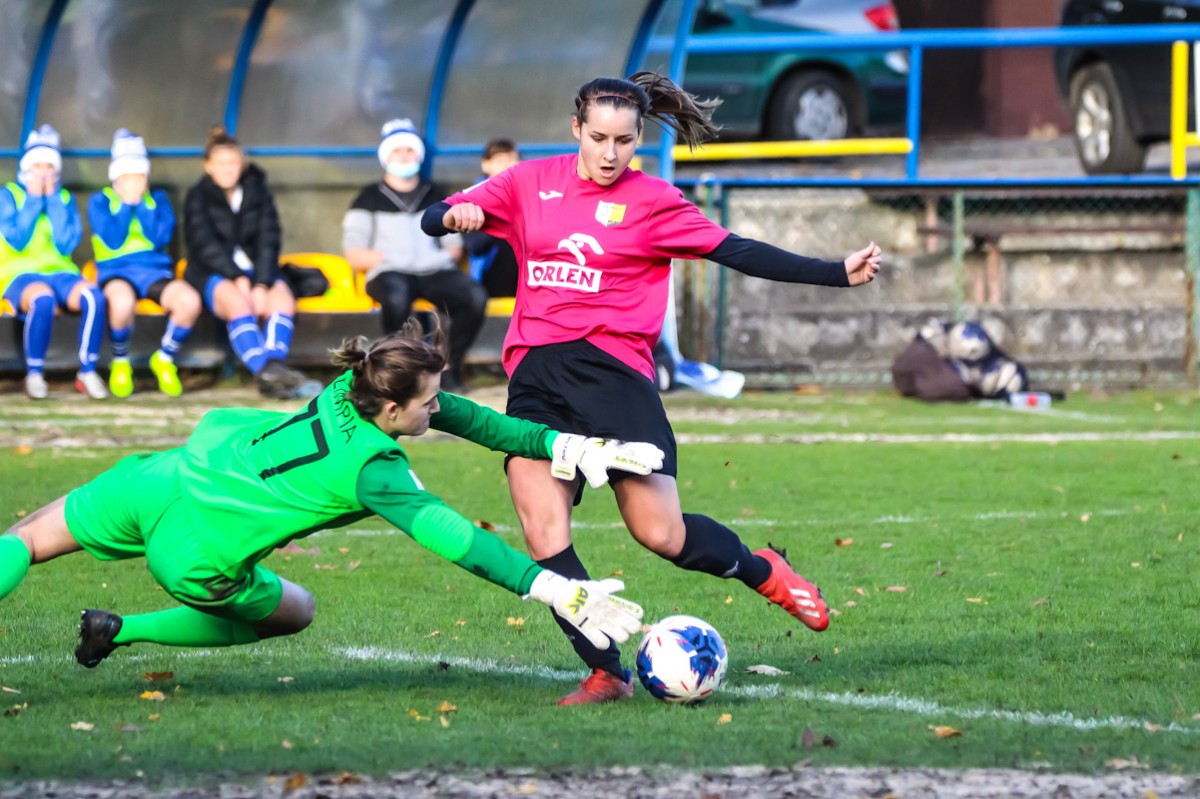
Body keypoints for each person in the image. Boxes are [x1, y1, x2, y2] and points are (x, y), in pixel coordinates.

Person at [422, 72, 882, 705]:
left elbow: (736, 250)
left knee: (661, 534)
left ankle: (763, 570)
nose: (611, 153)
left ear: (640, 136)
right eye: (599, 138)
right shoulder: (527, 183)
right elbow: (433, 216)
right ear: (576, 129)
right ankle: (607, 672)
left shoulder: (654, 201)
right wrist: (455, 214)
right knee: (543, 530)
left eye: (625, 140)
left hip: (616, 377)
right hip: (537, 377)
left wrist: (834, 273)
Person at [0, 318, 662, 675]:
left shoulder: (357, 382)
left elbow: (471, 418)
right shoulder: (376, 471)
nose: (440, 407)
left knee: (24, 537)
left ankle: (110, 628)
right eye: (430, 401)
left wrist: (565, 445)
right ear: (395, 409)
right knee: (297, 609)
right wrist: (554, 588)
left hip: (163, 478)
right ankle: (126, 630)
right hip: (198, 550)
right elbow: (459, 539)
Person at [342, 118, 487, 393]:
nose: (404, 156)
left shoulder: (436, 194)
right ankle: (403, 372)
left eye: (409, 150)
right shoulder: (367, 198)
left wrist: (435, 258)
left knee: (474, 297)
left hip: (434, 271)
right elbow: (355, 253)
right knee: (396, 297)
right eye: (397, 151)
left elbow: (454, 246)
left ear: (419, 155)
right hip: (389, 272)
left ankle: (447, 366)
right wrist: (392, 258)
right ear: (385, 157)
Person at [184, 125, 316, 399]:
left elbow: (270, 238)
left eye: (232, 162)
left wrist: (262, 282)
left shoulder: (258, 191)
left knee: (281, 300)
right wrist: (238, 277)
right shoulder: (197, 196)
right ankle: (266, 371)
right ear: (208, 166)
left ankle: (274, 368)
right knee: (237, 302)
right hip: (211, 271)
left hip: (258, 271)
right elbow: (204, 245)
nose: (227, 169)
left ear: (241, 163)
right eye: (221, 163)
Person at [88, 129, 202, 398]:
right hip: (116, 273)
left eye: (139, 175)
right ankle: (120, 361)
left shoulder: (158, 200)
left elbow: (160, 236)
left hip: (154, 273)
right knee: (122, 303)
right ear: (116, 178)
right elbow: (113, 239)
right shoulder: (100, 201)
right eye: (127, 176)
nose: (134, 181)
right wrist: (126, 204)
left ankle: (164, 358)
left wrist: (140, 204)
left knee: (189, 302)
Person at [0, 123, 107, 400]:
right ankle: (34, 375)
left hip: (61, 273)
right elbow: (16, 239)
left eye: (49, 166)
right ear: (27, 168)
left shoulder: (64, 198)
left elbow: (66, 243)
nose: (44, 172)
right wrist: (35, 200)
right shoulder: (9, 195)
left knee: (94, 297)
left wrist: (54, 202)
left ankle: (87, 371)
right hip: (19, 274)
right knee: (43, 299)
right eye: (38, 166)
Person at [464, 138, 520, 297]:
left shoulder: (530, 195)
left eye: (512, 159)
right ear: (485, 164)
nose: (507, 165)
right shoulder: (472, 198)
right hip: (490, 276)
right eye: (500, 160)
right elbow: (475, 245)